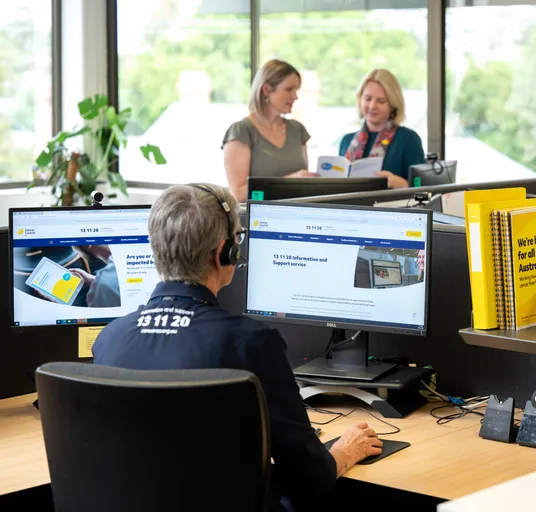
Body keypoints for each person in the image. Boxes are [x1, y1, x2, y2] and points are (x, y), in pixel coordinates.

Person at [92, 184, 382, 511]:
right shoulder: (250, 343)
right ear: (224, 252)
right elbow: (308, 476)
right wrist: (342, 452)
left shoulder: (109, 339)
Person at [223, 60, 315, 202]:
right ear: (266, 89)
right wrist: (288, 182)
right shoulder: (242, 131)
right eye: (289, 89)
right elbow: (238, 194)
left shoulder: (298, 130)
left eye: (296, 90)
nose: (295, 97)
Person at [339, 69, 425, 189]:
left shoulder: (408, 139)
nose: (372, 106)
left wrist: (401, 184)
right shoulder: (346, 141)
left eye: (380, 101)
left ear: (392, 104)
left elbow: (422, 189)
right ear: (360, 99)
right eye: (368, 99)